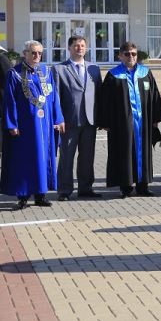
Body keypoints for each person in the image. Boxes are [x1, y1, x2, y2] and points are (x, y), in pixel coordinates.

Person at [99, 42, 161, 198]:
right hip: (121, 123)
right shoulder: (113, 75)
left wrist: (155, 118)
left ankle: (143, 185)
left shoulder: (145, 73)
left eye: (134, 54)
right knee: (124, 152)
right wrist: (105, 123)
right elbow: (105, 101)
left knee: (143, 152)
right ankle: (126, 186)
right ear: (120, 56)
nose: (131, 57)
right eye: (127, 54)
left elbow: (154, 96)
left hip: (143, 122)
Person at [1, 41, 64, 209]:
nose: (37, 56)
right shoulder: (14, 73)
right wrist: (12, 123)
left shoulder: (46, 71)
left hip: (45, 125)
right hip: (26, 125)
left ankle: (40, 195)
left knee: (43, 158)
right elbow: (10, 101)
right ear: (25, 53)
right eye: (33, 53)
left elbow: (53, 97)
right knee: (25, 159)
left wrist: (58, 119)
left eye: (39, 53)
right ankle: (23, 196)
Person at [52, 35, 102, 201]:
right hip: (69, 121)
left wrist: (100, 119)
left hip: (89, 121)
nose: (79, 48)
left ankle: (85, 188)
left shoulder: (94, 68)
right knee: (67, 157)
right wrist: (58, 119)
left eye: (82, 45)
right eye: (76, 46)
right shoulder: (59, 69)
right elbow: (56, 97)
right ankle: (64, 190)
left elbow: (99, 95)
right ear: (69, 48)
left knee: (87, 156)